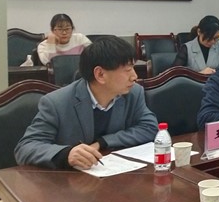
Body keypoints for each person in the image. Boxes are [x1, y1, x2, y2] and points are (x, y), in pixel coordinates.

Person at [15, 36, 157, 169]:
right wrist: (66, 154)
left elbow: (150, 128)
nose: (134, 76)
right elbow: (25, 148)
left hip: (117, 175)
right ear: (100, 74)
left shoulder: (133, 93)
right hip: (71, 181)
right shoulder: (57, 102)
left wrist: (103, 142)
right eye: (127, 70)